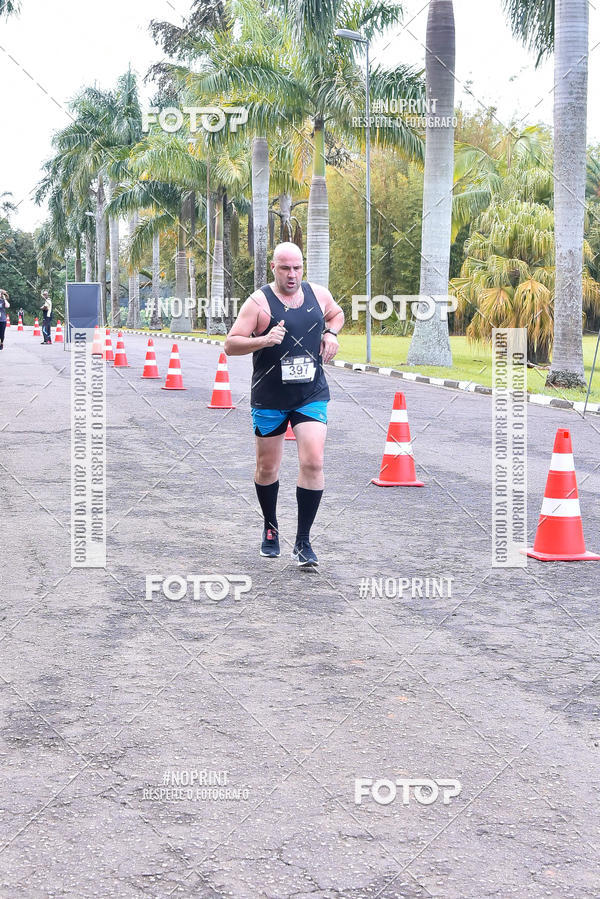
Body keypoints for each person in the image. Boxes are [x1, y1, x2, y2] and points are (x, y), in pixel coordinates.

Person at [224, 242, 344, 568]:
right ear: (273, 268)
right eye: (285, 268)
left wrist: (331, 333)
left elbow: (336, 312)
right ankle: (271, 526)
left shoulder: (317, 294)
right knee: (267, 467)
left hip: (310, 394)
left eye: (297, 268)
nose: (292, 275)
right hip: (270, 397)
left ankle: (304, 542)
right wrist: (263, 340)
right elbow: (231, 344)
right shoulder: (259, 304)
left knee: (314, 461)